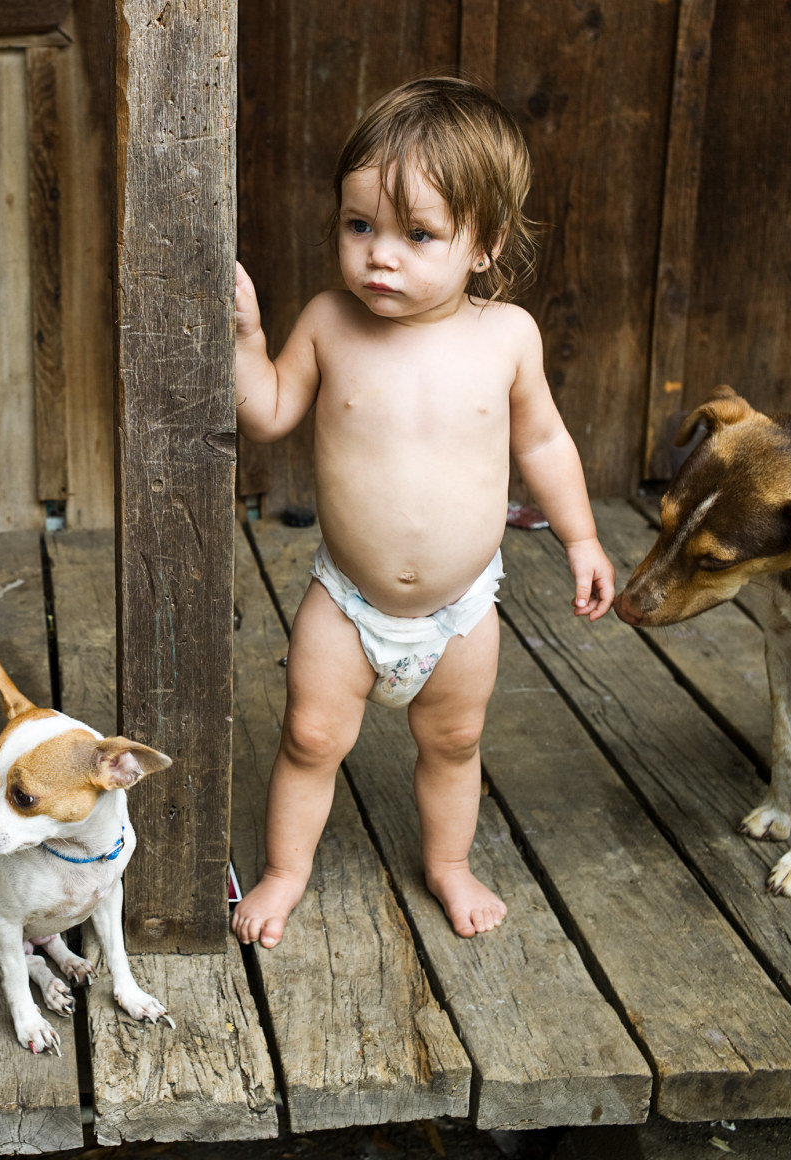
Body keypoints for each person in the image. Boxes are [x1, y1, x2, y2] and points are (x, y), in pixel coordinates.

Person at [230, 77, 615, 948]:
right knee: (308, 737)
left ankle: (448, 864)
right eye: (358, 225)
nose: (379, 256)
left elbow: (545, 443)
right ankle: (284, 871)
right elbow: (272, 411)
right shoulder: (330, 321)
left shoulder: (506, 336)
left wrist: (582, 536)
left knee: (452, 743)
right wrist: (248, 344)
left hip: (460, 611)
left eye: (417, 235)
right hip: (348, 602)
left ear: (485, 244)